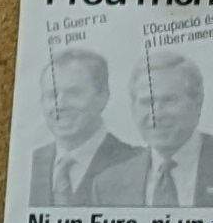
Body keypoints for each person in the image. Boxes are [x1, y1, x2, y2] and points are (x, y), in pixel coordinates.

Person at [26, 46, 147, 210]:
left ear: (103, 97)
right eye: (52, 95)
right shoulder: (31, 164)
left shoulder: (136, 164)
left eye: (73, 93)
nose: (59, 105)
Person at [126, 51, 207, 209]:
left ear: (197, 103)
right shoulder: (108, 184)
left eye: (169, 100)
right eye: (146, 102)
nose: (156, 114)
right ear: (133, 108)